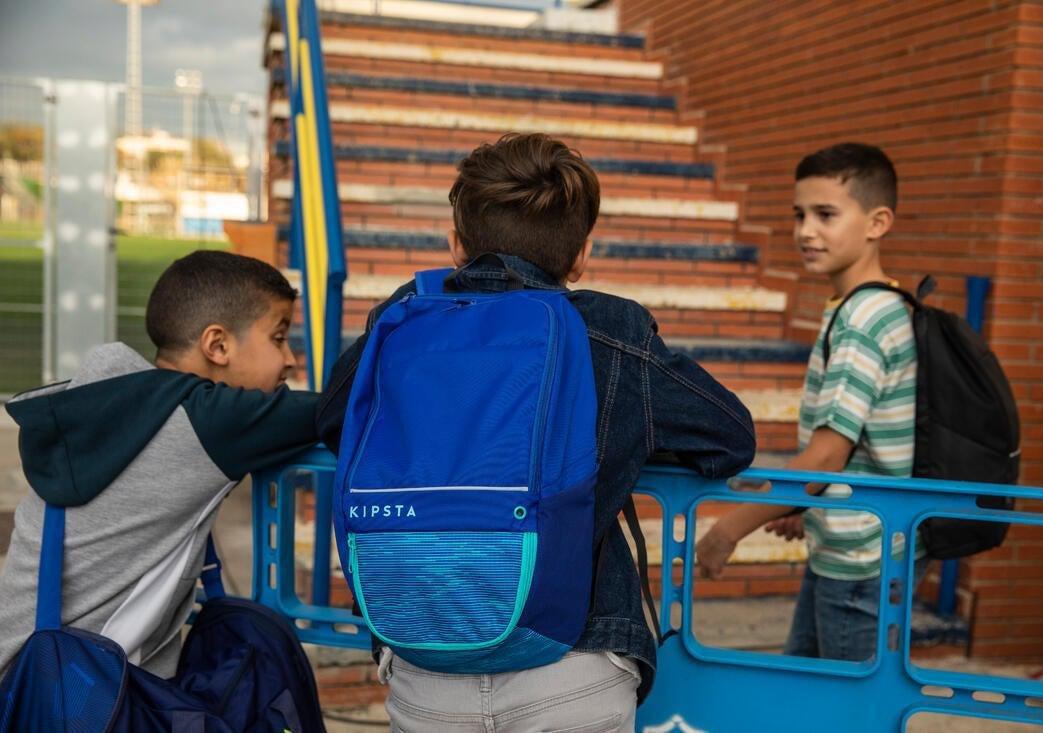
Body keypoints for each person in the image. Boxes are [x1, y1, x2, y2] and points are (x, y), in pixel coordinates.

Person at [317, 132, 756, 731]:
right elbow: (731, 437)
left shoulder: (403, 319)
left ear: (455, 248)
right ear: (580, 257)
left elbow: (333, 419)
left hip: (424, 659)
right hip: (573, 662)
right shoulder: (610, 330)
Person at [0, 250, 319, 677]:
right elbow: (343, 403)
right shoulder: (203, 422)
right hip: (82, 693)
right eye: (279, 338)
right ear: (218, 345)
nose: (290, 360)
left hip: (26, 671)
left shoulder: (116, 403)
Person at [696, 142, 920, 662]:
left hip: (861, 564)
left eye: (825, 215)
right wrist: (806, 502)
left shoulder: (865, 319)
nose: (805, 231)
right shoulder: (868, 305)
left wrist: (728, 531)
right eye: (799, 215)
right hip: (852, 551)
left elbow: (825, 458)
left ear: (877, 222)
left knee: (841, 713)